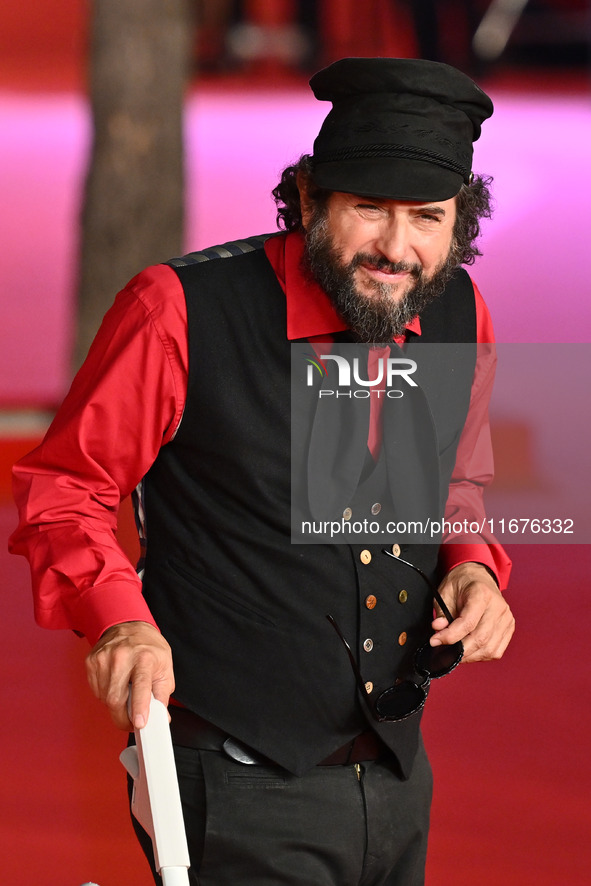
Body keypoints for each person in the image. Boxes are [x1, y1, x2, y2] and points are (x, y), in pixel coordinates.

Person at [10, 57, 515, 886]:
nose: (397, 248)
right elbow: (67, 488)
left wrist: (473, 570)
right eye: (368, 211)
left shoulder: (458, 310)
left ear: (457, 223)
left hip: (393, 777)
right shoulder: (178, 309)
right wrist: (119, 620)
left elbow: (454, 484)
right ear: (310, 199)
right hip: (236, 778)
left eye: (426, 218)